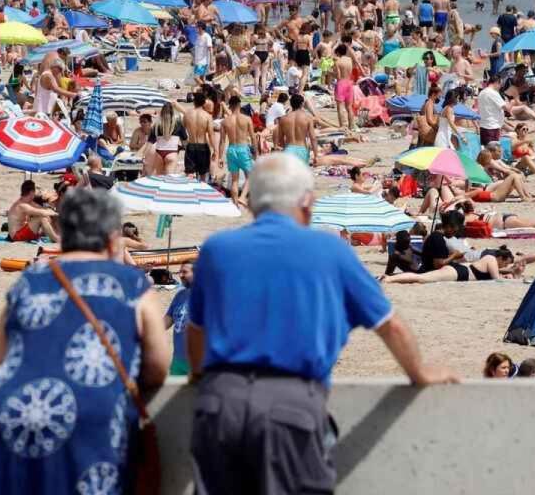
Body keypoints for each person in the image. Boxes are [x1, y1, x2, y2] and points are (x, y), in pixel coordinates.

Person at [188, 153, 457, 494]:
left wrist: (200, 377)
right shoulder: (330, 250)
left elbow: (196, 331)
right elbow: (391, 326)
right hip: (290, 405)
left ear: (253, 202)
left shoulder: (217, 249)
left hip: (219, 403)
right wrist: (419, 373)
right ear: (306, 200)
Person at [0, 188, 170, 494]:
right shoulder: (132, 284)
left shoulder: (29, 282)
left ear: (63, 234)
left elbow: (2, 360)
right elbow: (157, 367)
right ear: (112, 239)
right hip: (92, 415)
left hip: (13, 414)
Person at [381, 246, 517, 284]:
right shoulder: (492, 259)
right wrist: (510, 277)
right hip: (458, 273)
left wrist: (508, 274)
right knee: (422, 278)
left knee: (423, 277)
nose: (503, 266)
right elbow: (495, 279)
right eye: (506, 263)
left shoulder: (490, 259)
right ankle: (389, 278)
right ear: (502, 258)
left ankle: (392, 277)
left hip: (458, 271)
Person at [219, 95, 255, 206]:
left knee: (234, 180)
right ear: (239, 105)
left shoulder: (225, 121)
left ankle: (235, 206)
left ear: (230, 106)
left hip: (231, 149)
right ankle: (243, 197)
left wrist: (220, 157)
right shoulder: (247, 119)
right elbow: (253, 138)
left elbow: (222, 141)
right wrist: (256, 152)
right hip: (243, 148)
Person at [165, 262, 193, 375]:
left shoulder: (208, 296)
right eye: (179, 272)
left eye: (185, 272)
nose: (180, 275)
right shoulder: (180, 295)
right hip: (178, 362)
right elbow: (167, 321)